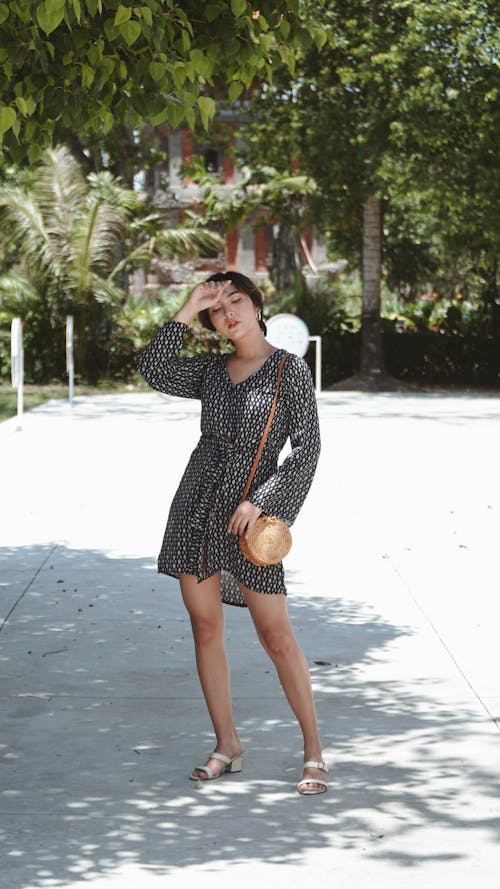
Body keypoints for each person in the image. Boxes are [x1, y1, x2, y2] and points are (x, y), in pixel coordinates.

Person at [136, 271, 327, 795]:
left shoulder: (289, 371)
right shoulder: (210, 371)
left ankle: (313, 750)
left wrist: (263, 502)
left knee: (276, 636)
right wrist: (187, 305)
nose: (228, 314)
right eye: (216, 310)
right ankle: (228, 743)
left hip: (249, 520)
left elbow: (306, 452)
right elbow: (152, 369)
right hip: (195, 510)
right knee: (205, 629)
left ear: (257, 303)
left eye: (235, 301)